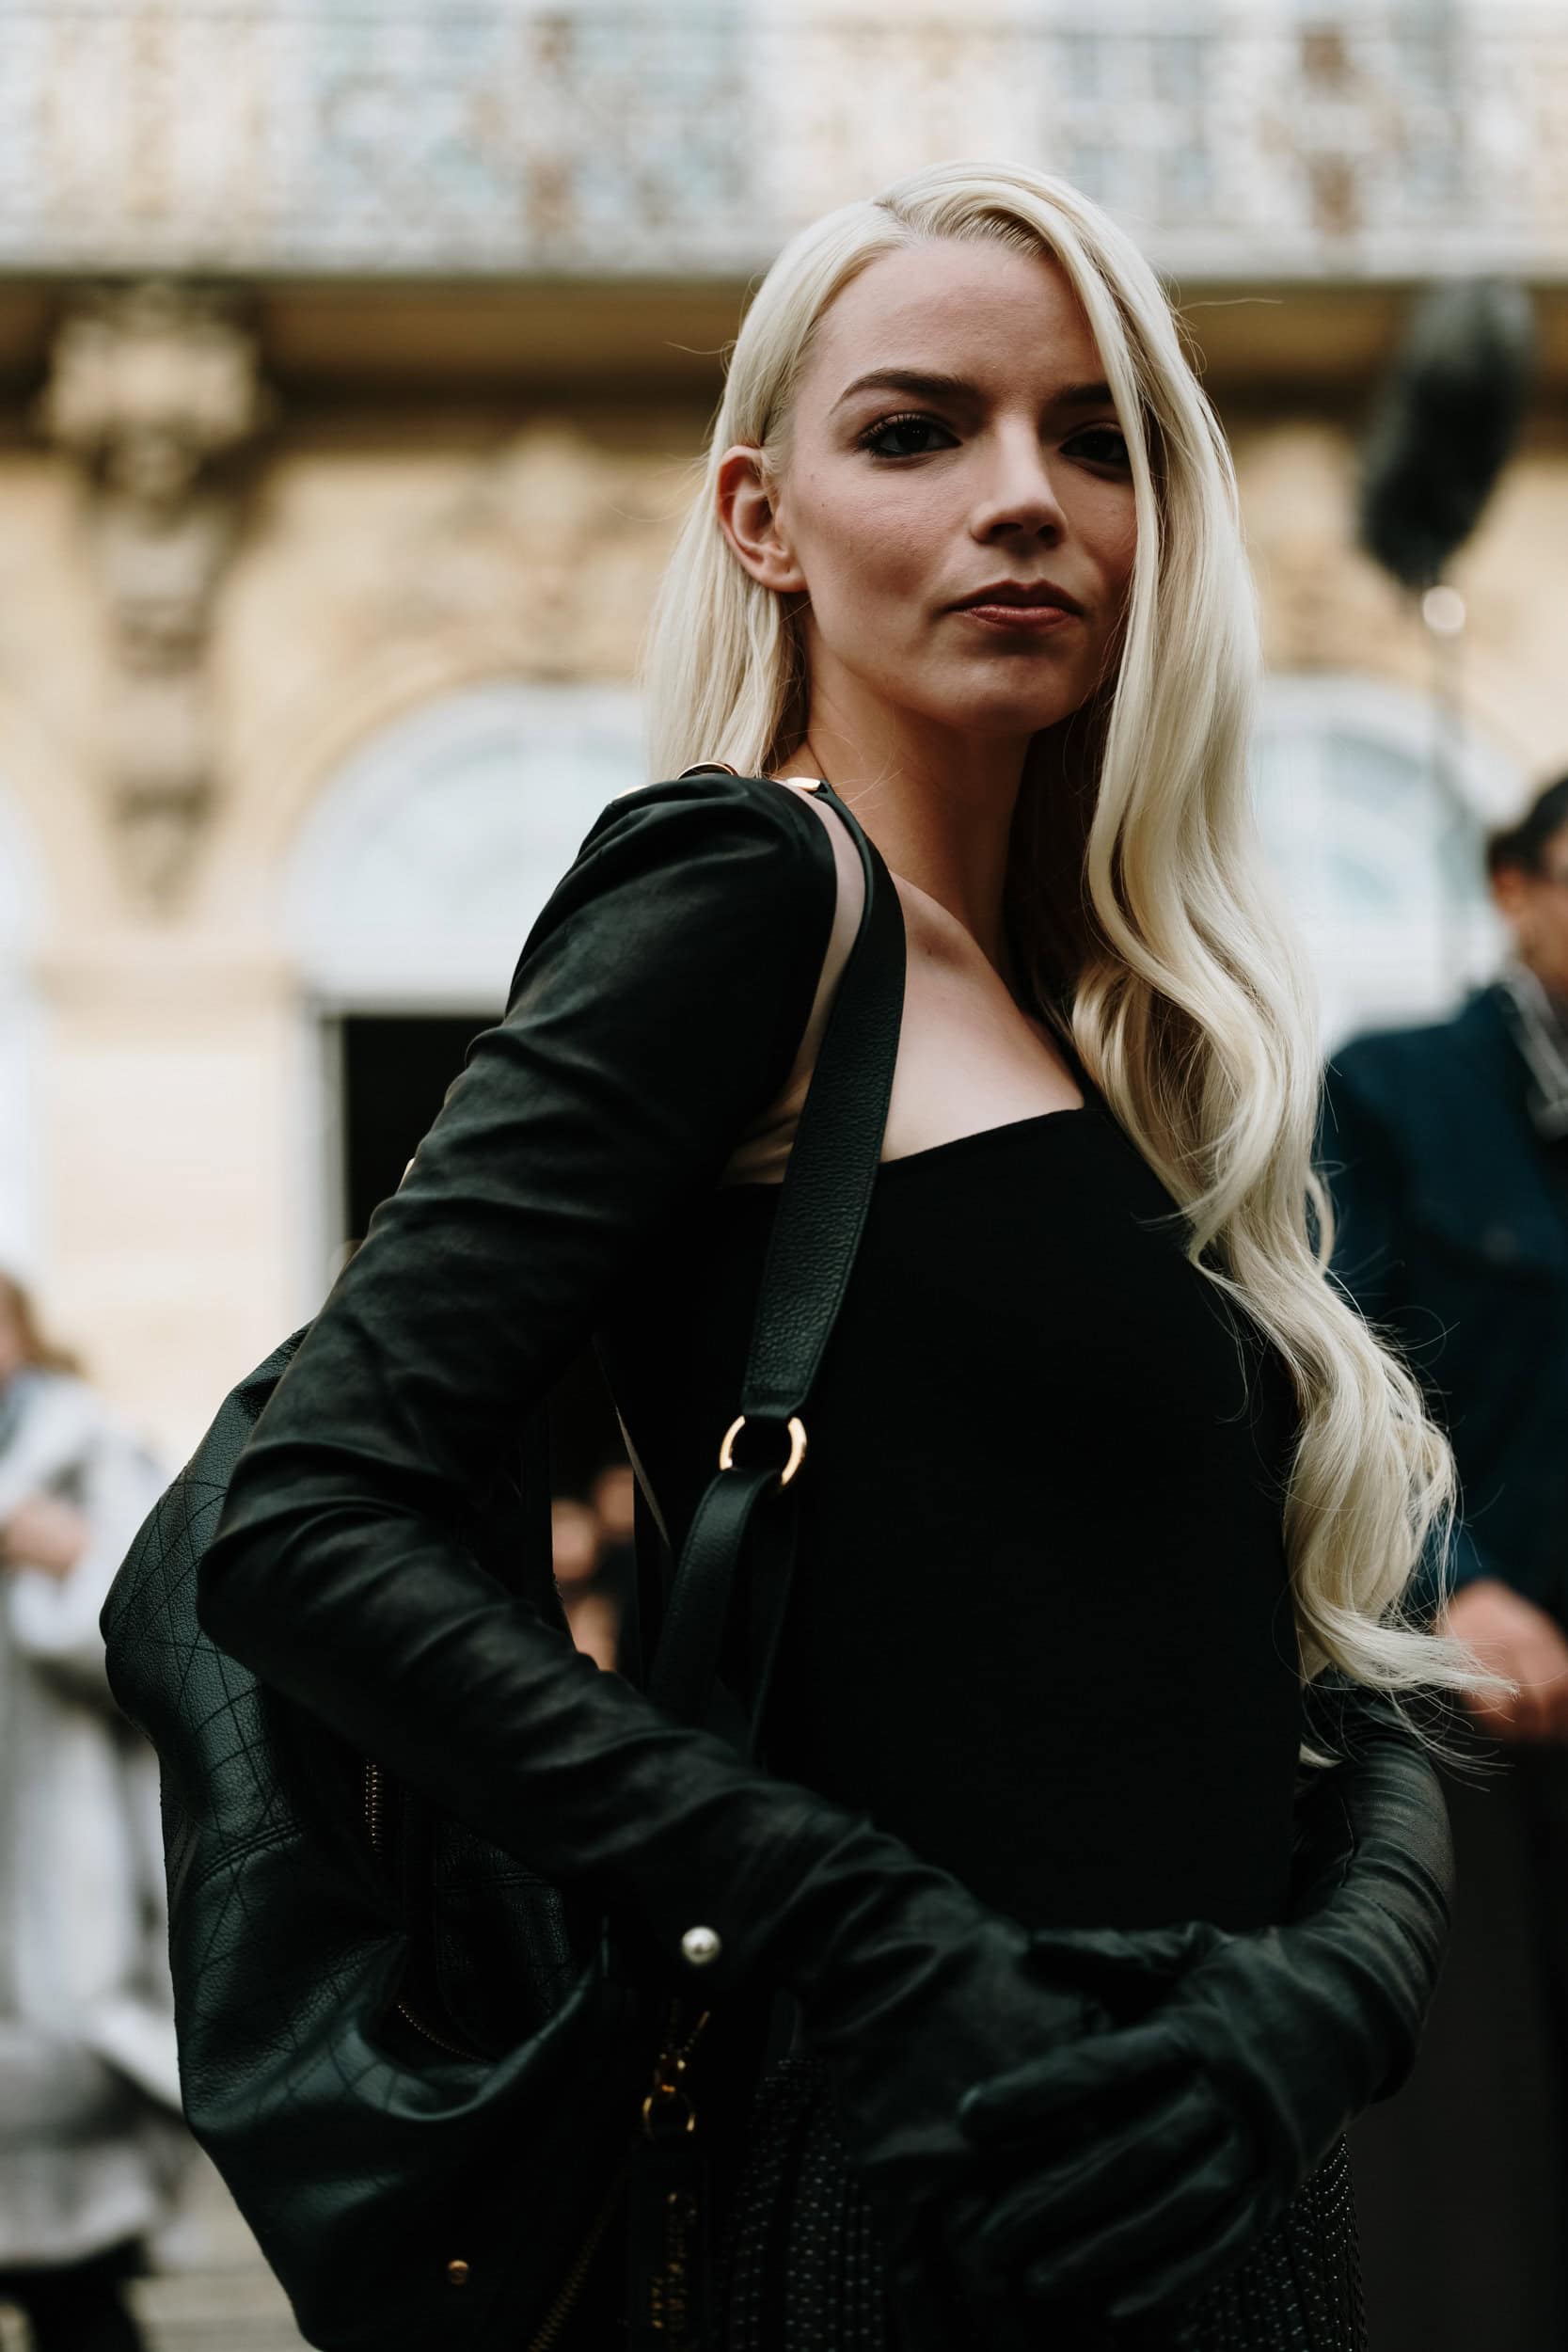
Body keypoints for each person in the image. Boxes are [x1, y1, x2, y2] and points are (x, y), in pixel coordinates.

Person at [199, 160, 1477, 2351]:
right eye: (916, 431)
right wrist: (871, 1936)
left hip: (1207, 2175)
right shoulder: (749, 894)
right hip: (921, 2186)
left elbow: (1296, 1649)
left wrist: (1336, 1985)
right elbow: (301, 1517)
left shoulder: (1124, 1011)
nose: (1025, 498)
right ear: (759, 519)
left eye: (1096, 440)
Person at [1319, 774, 1568, 2352]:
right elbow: (1345, 1374)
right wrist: (1453, 1580)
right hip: (1468, 1694)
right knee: (1486, 2141)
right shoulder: (1390, 1089)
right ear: (1511, 888)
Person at [0, 1272, 188, 2352]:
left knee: (76, 2285)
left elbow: (169, 1637)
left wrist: (70, 1563)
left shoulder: (91, 1453)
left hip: (63, 1908)